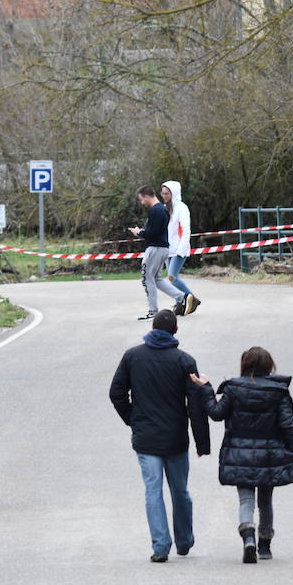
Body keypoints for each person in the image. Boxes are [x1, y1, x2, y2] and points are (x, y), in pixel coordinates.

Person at [192, 346, 293, 563]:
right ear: (269, 366)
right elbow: (289, 426)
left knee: (246, 500)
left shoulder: (233, 389)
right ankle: (264, 545)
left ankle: (248, 537)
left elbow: (215, 413)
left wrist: (206, 388)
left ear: (244, 364)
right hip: (269, 456)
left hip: (238, 454)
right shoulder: (278, 392)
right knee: (265, 501)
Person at [109, 309, 211, 562]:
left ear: (152, 328)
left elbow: (116, 393)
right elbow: (195, 404)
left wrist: (133, 420)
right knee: (180, 491)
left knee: (152, 491)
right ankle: (184, 540)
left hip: (146, 439)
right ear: (175, 331)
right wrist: (202, 442)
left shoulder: (132, 356)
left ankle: (160, 546)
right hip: (176, 438)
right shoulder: (184, 361)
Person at [128, 185, 182, 320]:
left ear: (146, 196)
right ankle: (182, 297)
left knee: (147, 279)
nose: (142, 202)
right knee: (156, 279)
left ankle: (153, 311)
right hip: (163, 248)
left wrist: (139, 232)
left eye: (141, 199)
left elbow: (151, 234)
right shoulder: (163, 210)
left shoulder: (155, 211)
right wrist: (144, 232)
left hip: (155, 249)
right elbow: (156, 231)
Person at [160, 181, 200, 316]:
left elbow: (186, 230)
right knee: (172, 278)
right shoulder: (165, 208)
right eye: (163, 193)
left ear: (174, 194)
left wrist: (181, 249)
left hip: (179, 249)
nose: (164, 196)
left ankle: (191, 298)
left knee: (171, 277)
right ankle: (180, 303)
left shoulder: (182, 208)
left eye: (166, 193)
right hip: (168, 249)